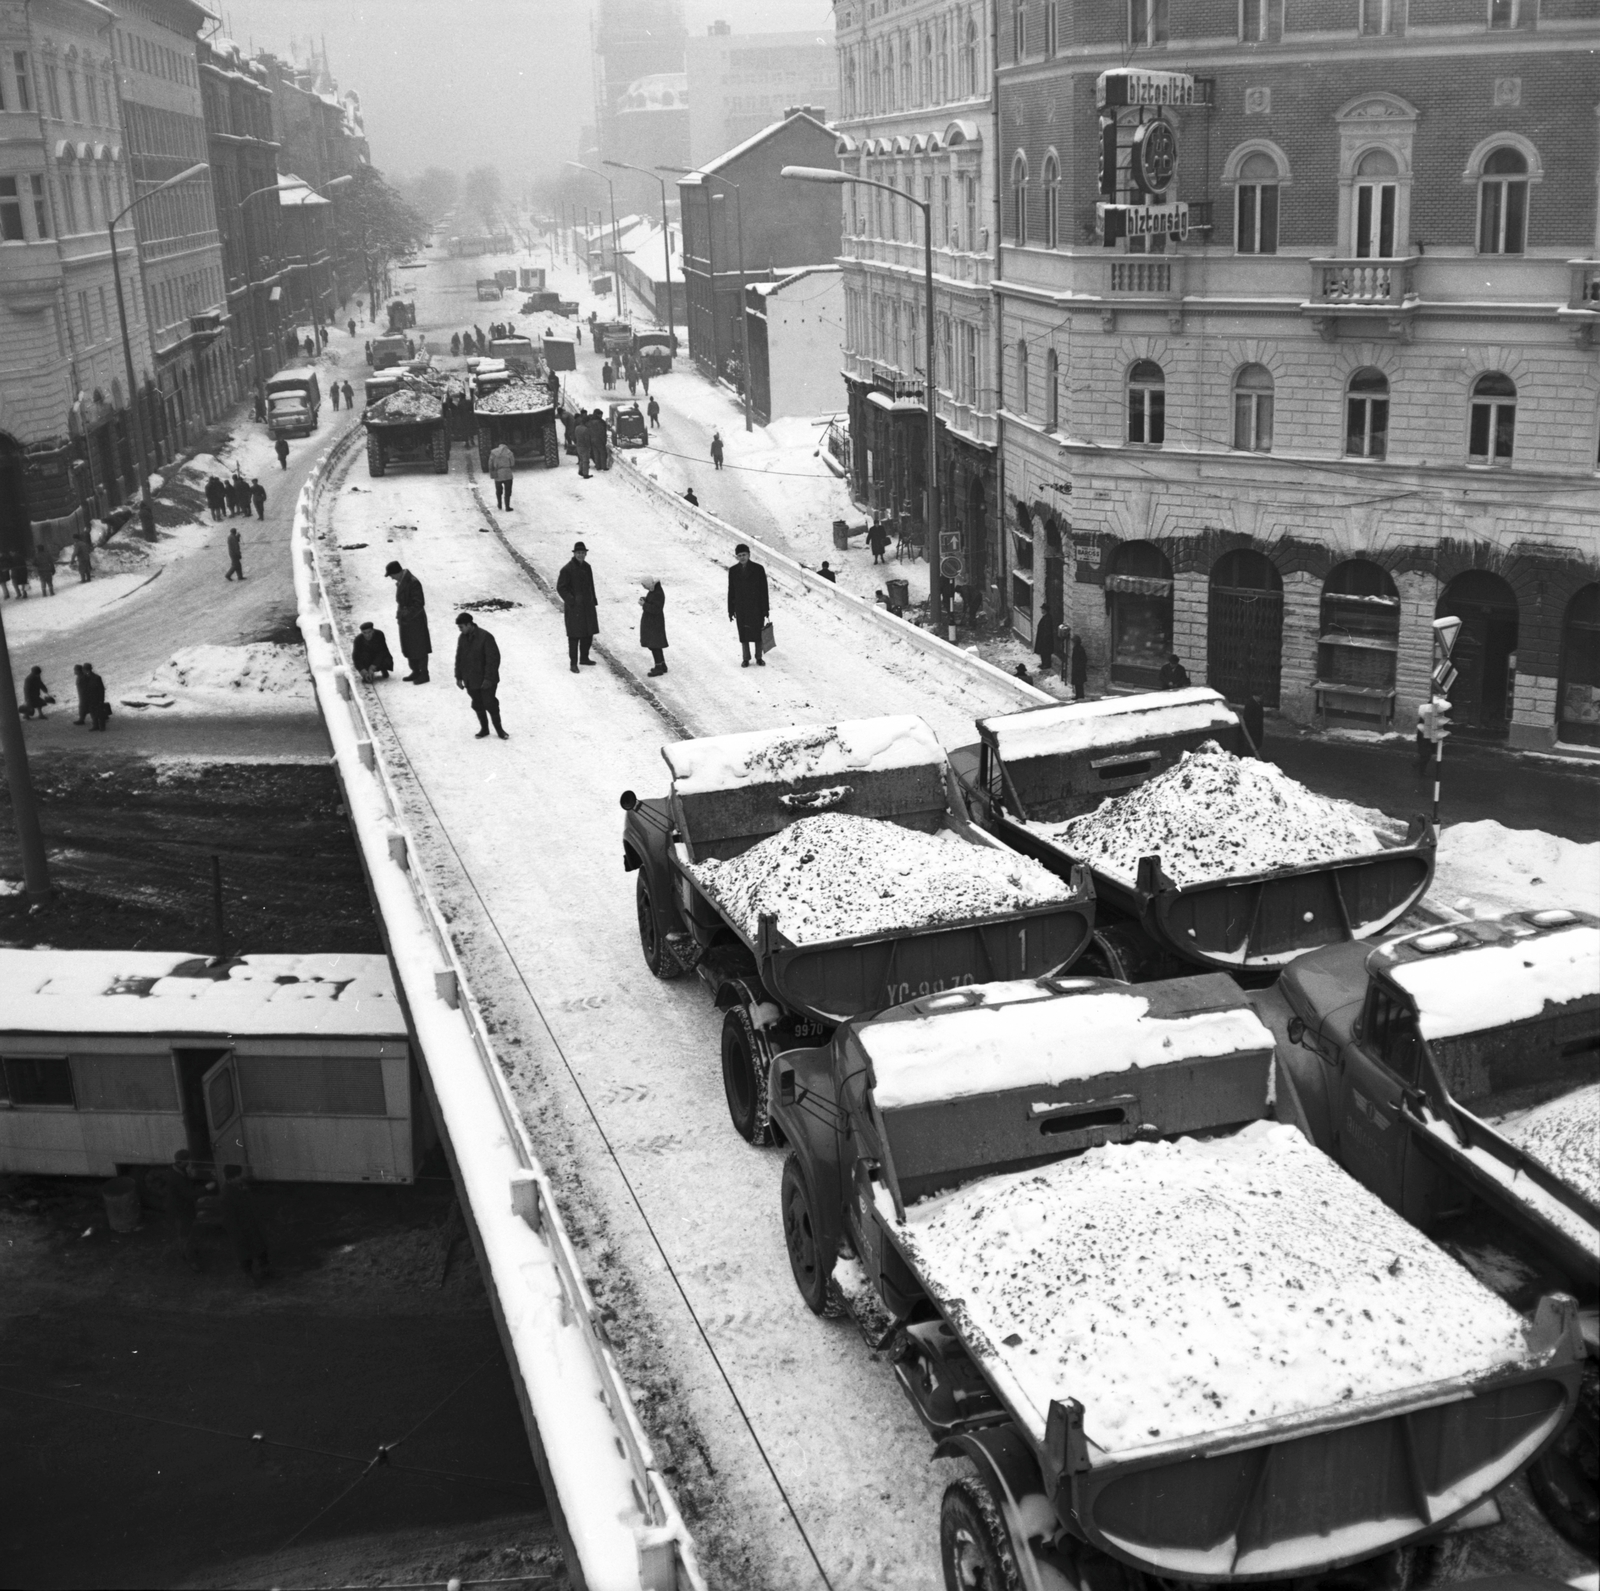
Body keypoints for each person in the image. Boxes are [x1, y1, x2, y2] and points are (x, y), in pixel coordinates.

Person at [454, 612, 507, 739]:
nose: (460, 630)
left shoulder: (486, 637)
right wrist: (459, 677)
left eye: (461, 627)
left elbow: (493, 660)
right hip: (470, 679)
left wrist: (488, 678)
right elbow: (459, 658)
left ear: (469, 624)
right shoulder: (462, 637)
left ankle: (500, 730)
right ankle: (484, 729)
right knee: (477, 703)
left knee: (490, 704)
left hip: (486, 680)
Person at [385, 560, 432, 683]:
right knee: (409, 646)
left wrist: (406, 613)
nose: (391, 578)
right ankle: (415, 671)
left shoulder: (413, 582)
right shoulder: (402, 581)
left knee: (419, 647)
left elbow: (419, 603)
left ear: (397, 573)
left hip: (415, 620)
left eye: (391, 575)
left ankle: (424, 674)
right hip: (406, 620)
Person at [556, 541, 598, 673]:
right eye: (578, 553)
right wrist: (572, 601)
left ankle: (584, 658)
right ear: (574, 554)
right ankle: (573, 663)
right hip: (574, 608)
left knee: (588, 633)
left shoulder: (587, 567)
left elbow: (591, 585)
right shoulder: (567, 569)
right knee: (574, 636)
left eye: (583, 553)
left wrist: (593, 599)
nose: (581, 555)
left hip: (588, 606)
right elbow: (561, 588)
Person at [727, 544, 769, 667]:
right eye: (739, 556)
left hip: (756, 606)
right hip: (741, 607)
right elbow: (731, 591)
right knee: (743, 633)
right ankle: (746, 658)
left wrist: (765, 609)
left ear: (749, 555)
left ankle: (759, 657)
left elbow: (764, 590)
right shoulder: (733, 570)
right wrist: (731, 610)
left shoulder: (758, 569)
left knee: (758, 633)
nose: (742, 557)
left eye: (744, 555)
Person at [639, 577, 667, 676]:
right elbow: (654, 603)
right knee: (656, 644)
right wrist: (646, 600)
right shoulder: (654, 590)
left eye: (644, 585)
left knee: (654, 645)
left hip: (654, 623)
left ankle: (658, 667)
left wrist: (644, 604)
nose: (643, 587)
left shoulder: (657, 593)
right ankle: (662, 665)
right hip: (654, 622)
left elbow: (656, 609)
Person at [488, 440, 516, 510]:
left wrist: (492, 471)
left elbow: (490, 464)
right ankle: (507, 507)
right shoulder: (509, 452)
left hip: (498, 473)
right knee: (508, 491)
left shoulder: (493, 452)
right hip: (508, 473)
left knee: (498, 490)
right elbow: (512, 463)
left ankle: (499, 504)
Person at [81, 663, 109, 729]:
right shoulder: (94, 677)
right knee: (93, 712)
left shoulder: (95, 678)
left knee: (99, 713)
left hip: (96, 698)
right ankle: (97, 726)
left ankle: (100, 726)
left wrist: (101, 700)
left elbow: (101, 690)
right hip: (92, 698)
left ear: (86, 670)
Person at [1070, 636, 1088, 702]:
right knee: (1078, 683)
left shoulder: (1078, 649)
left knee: (1079, 683)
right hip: (1078, 669)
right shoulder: (1078, 648)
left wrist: (1078, 667)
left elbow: (1082, 659)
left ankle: (1080, 695)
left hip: (1079, 669)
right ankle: (1078, 695)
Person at [575, 412, 593, 478]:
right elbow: (587, 440)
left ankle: (580, 470)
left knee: (581, 459)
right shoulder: (586, 429)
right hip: (584, 447)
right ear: (586, 422)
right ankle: (585, 474)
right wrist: (589, 447)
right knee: (586, 461)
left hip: (578, 446)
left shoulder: (577, 428)